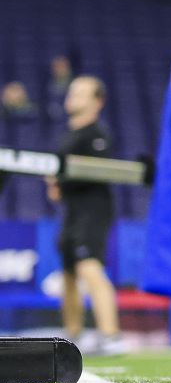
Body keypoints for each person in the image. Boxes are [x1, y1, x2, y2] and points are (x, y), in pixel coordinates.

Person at [44, 76, 123, 356]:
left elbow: (96, 169)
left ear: (97, 102)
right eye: (72, 91)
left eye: (81, 92)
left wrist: (62, 178)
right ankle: (72, 337)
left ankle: (111, 336)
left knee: (89, 266)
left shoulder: (97, 134)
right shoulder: (68, 136)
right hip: (71, 211)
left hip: (93, 209)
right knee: (68, 273)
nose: (72, 96)